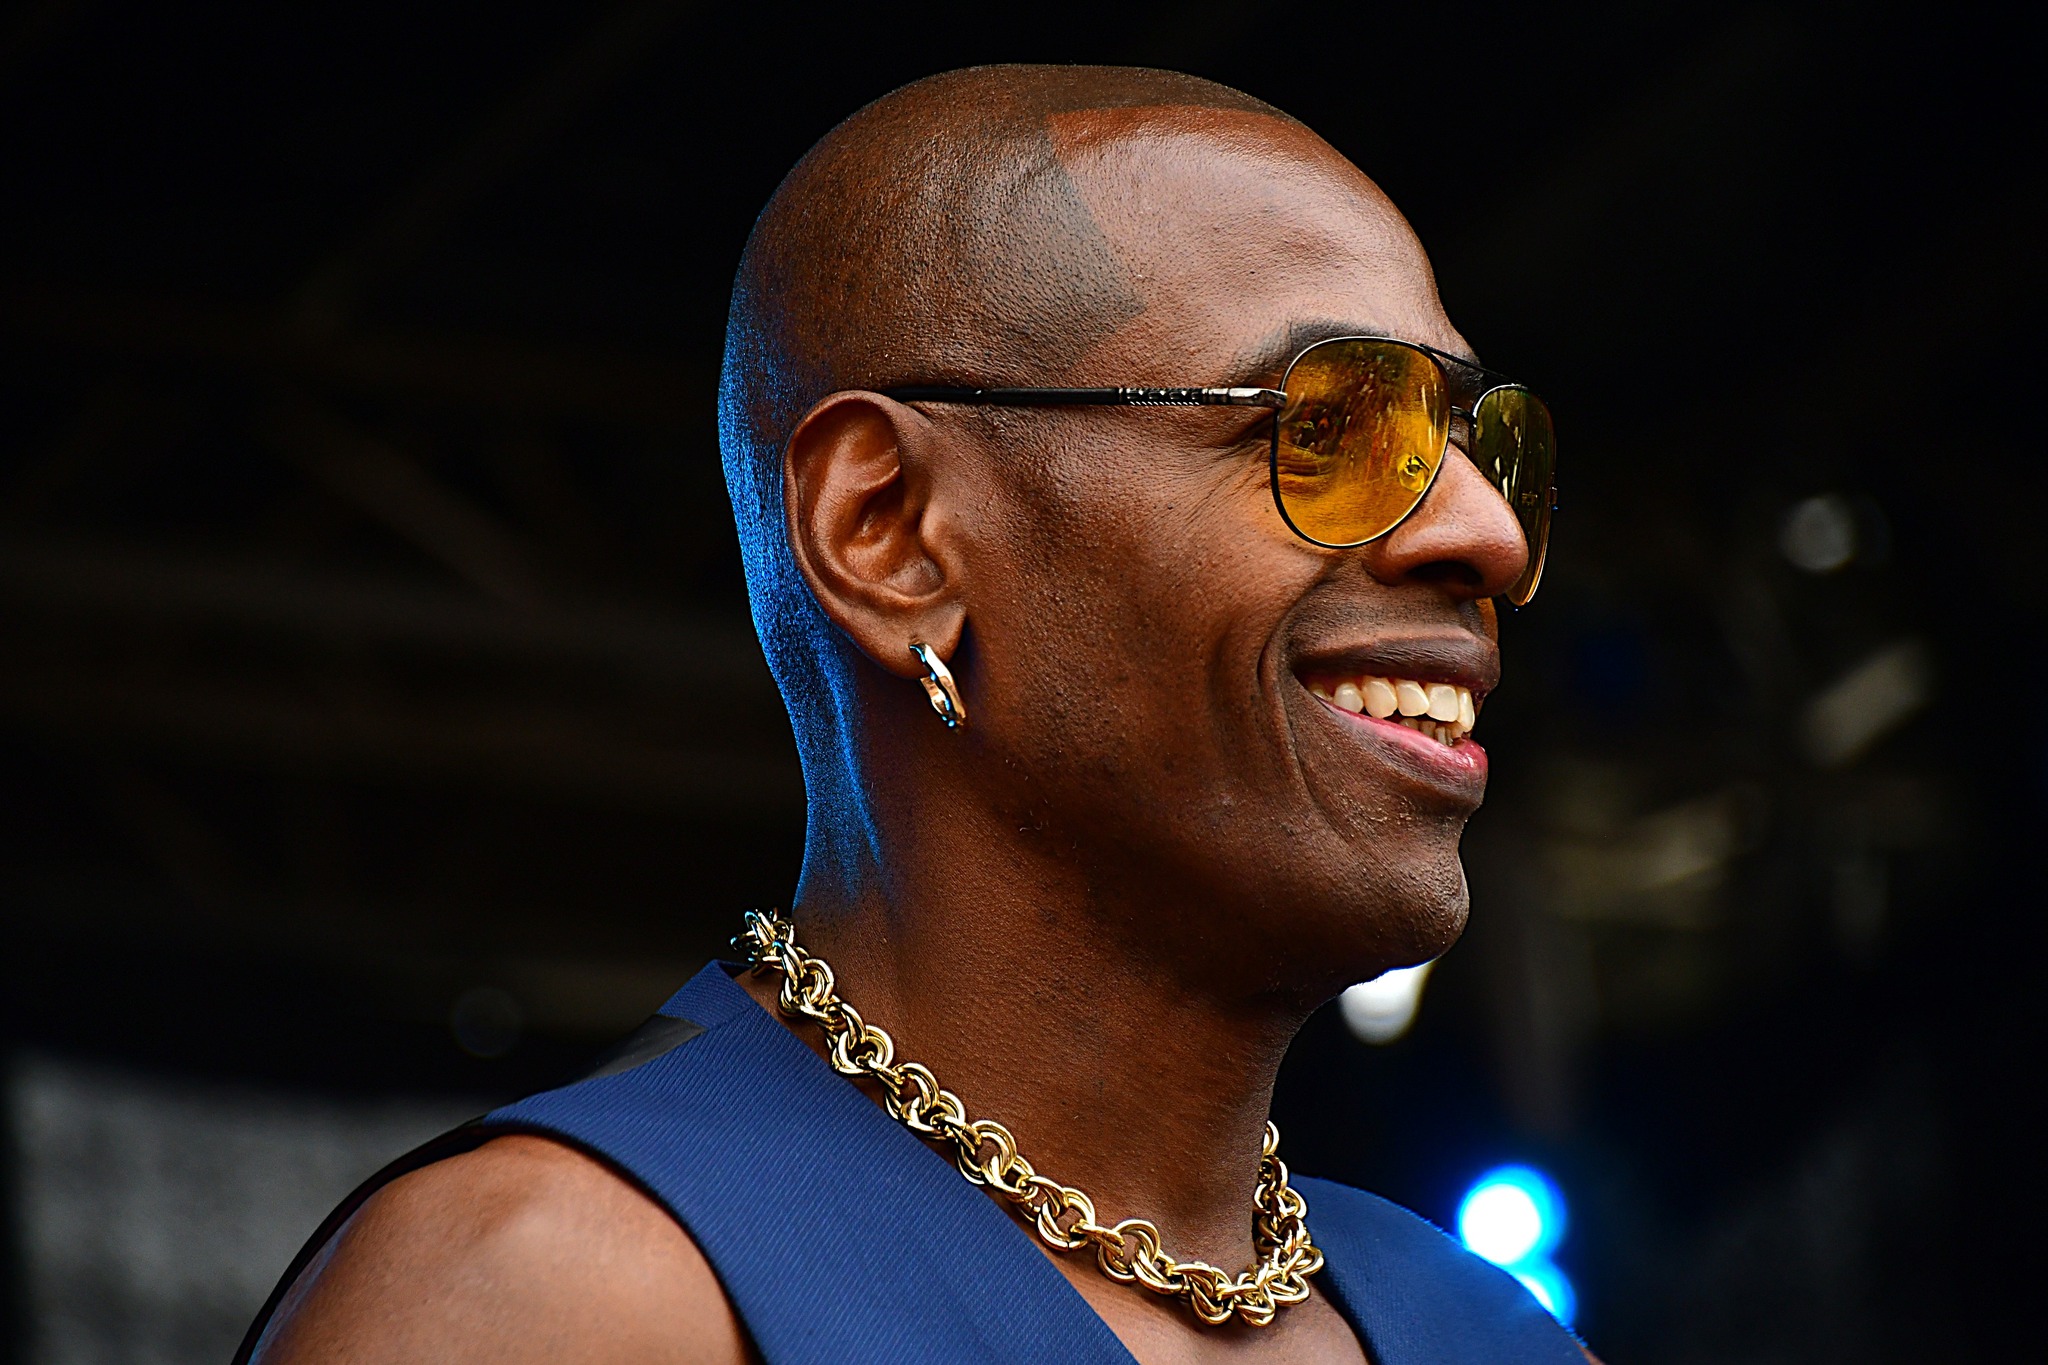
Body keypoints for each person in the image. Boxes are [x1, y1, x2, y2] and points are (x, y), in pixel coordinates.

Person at [239, 63, 1587, 1364]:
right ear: (889, 534)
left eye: (1484, 445)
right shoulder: (560, 1295)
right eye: (1331, 428)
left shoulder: (1495, 1339)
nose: (1489, 535)